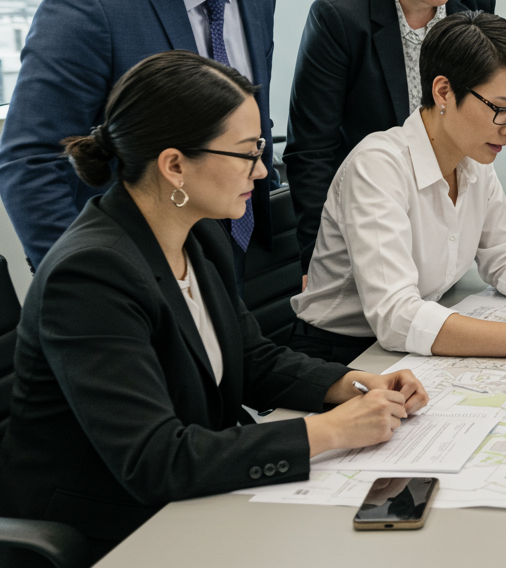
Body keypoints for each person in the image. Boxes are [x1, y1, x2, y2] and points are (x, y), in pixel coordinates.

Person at [0, 51, 428, 562]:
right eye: (247, 153)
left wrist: (352, 385)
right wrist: (329, 430)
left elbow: (251, 357)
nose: (263, 169)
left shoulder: (198, 235)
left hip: (199, 499)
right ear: (175, 165)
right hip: (113, 528)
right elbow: (155, 459)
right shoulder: (90, 274)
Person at [0, 0, 285, 276]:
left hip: (241, 255)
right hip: (136, 270)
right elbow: (32, 161)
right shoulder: (90, 6)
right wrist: (82, 281)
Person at [290, 12, 506, 365]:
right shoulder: (377, 166)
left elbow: (505, 255)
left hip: (418, 343)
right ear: (443, 91)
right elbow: (396, 317)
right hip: (342, 354)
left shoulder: (472, 158)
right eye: (502, 110)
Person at [285, 0, 496, 272]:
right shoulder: (340, 18)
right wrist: (315, 262)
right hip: (370, 219)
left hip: (445, 209)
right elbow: (311, 151)